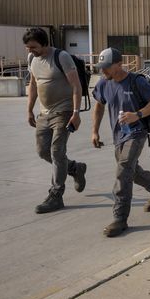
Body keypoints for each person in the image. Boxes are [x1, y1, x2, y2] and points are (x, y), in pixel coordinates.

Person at [90, 48, 150, 237]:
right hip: (118, 135)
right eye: (101, 68)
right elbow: (99, 105)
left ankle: (120, 218)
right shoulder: (103, 83)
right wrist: (94, 131)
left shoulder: (137, 81)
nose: (103, 71)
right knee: (131, 171)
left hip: (137, 133)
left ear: (119, 64)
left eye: (107, 67)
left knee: (124, 169)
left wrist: (137, 115)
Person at [24, 27, 87, 214]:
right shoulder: (32, 59)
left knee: (57, 152)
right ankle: (75, 168)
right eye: (28, 47)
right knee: (43, 152)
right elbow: (33, 85)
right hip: (44, 114)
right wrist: (29, 110)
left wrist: (76, 113)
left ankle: (56, 195)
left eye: (33, 47)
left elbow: (76, 86)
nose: (30, 51)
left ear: (44, 43)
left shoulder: (61, 57)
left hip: (64, 111)